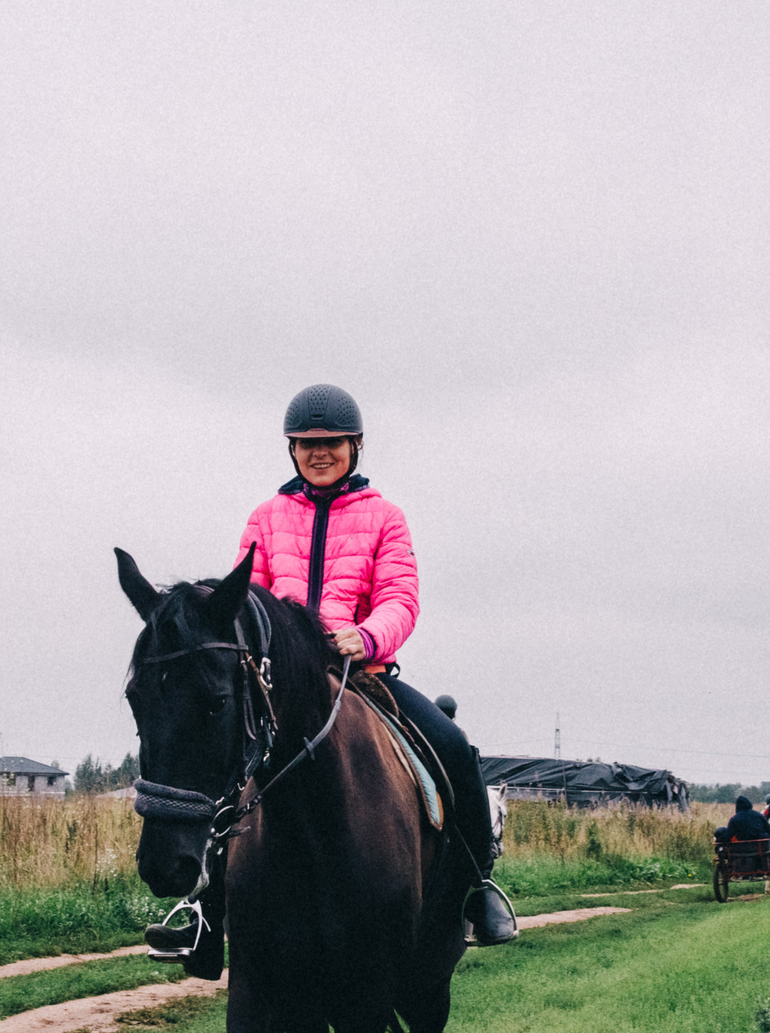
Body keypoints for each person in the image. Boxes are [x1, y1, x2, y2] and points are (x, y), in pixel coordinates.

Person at [144, 384, 518, 965]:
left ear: (356, 446)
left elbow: (400, 597)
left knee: (452, 746)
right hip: (284, 688)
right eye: (306, 444)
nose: (319, 454)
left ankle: (475, 888)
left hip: (361, 674)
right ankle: (205, 912)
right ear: (292, 449)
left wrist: (366, 636)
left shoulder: (385, 518)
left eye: (331, 443)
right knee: (229, 776)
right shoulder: (265, 519)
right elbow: (247, 599)